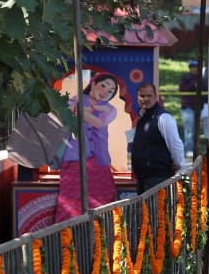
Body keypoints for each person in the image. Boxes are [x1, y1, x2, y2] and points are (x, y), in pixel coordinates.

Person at [55, 72, 121, 222]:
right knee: (70, 202)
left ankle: (100, 235)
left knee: (102, 202)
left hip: (98, 161)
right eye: (103, 85)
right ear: (93, 83)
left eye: (110, 91)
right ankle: (66, 235)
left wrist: (80, 111)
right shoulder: (75, 100)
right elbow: (66, 112)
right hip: (73, 159)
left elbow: (98, 123)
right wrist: (90, 109)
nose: (105, 92)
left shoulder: (110, 109)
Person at [130, 82, 185, 194]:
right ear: (137, 98)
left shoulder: (164, 118)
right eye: (142, 96)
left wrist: (179, 166)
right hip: (143, 179)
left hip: (159, 179)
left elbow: (175, 144)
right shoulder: (142, 119)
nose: (145, 99)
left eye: (149, 96)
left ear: (156, 97)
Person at [178, 59, 202, 159]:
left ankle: (196, 149)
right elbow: (182, 89)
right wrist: (193, 84)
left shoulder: (201, 78)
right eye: (192, 67)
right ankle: (188, 150)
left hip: (199, 107)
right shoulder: (186, 78)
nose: (194, 69)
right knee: (189, 130)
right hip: (187, 107)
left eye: (196, 67)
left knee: (196, 131)